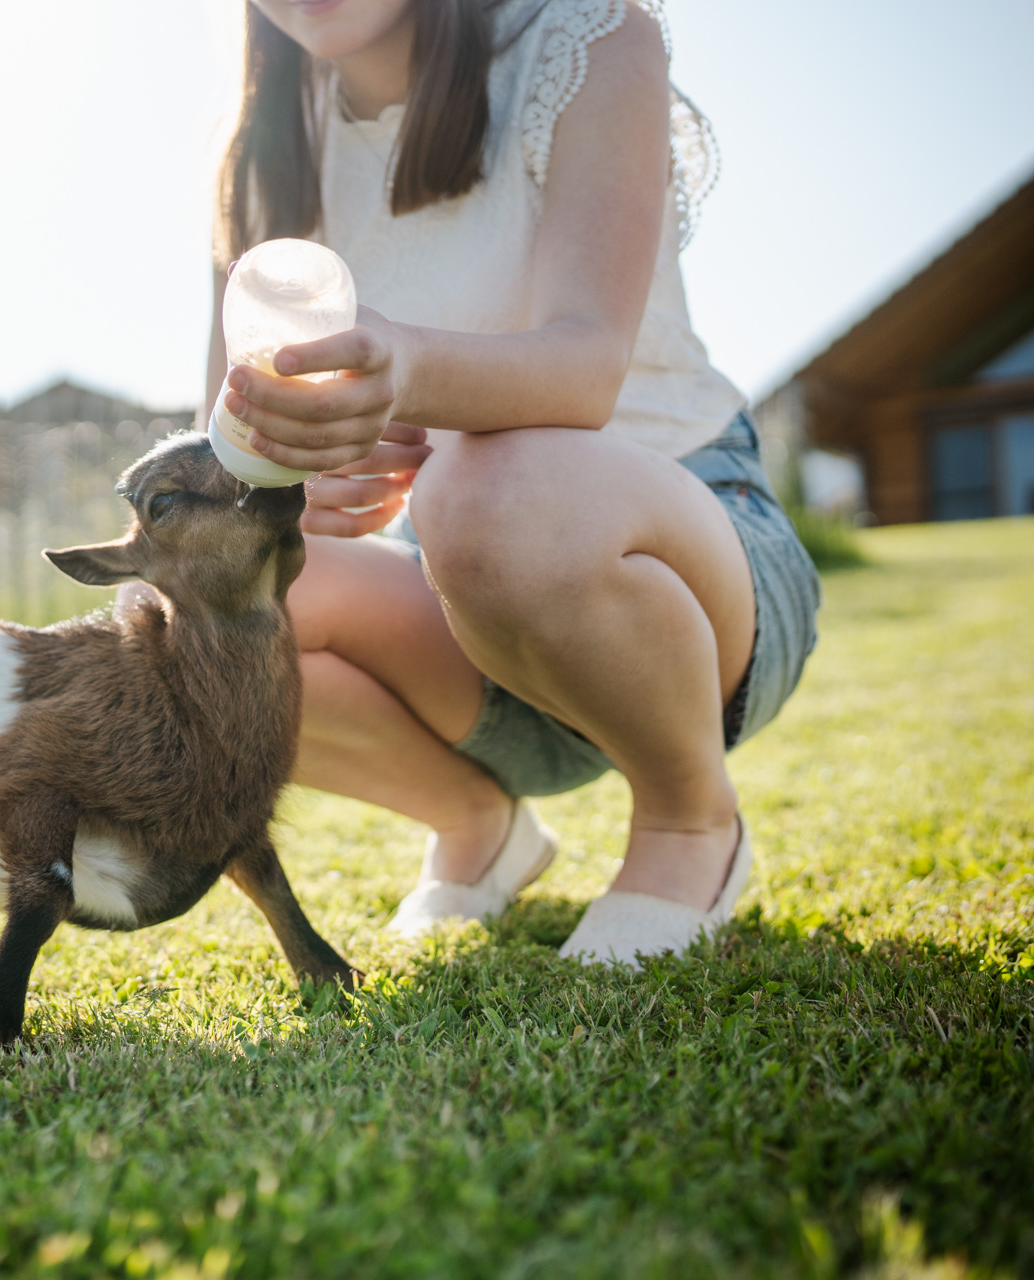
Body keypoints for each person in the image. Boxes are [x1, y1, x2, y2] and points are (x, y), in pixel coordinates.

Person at [205, 0, 820, 962]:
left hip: (689, 572)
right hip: (463, 612)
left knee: (493, 488)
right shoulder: (264, 143)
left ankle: (689, 819)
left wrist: (403, 367)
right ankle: (476, 823)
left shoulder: (588, 38)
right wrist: (278, 482)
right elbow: (232, 437)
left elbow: (585, 368)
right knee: (208, 586)